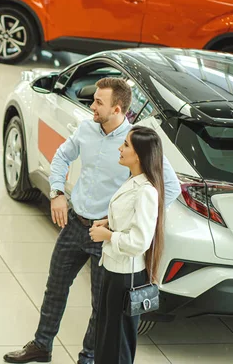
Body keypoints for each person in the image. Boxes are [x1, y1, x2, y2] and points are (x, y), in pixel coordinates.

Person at [3, 78, 180, 364]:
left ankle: (88, 356)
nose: (92, 105)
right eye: (94, 99)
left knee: (101, 303)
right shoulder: (86, 128)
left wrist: (134, 218)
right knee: (55, 286)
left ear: (118, 108)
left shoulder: (136, 143)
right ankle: (42, 344)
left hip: (107, 236)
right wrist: (57, 193)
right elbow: (61, 156)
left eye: (99, 102)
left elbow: (168, 187)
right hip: (75, 223)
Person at [89, 126, 165, 364]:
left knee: (117, 343)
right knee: (106, 336)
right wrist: (110, 223)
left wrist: (108, 236)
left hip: (126, 276)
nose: (120, 149)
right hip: (114, 270)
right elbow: (129, 221)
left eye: (126, 145)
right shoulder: (133, 181)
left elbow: (140, 241)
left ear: (139, 155)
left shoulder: (146, 192)